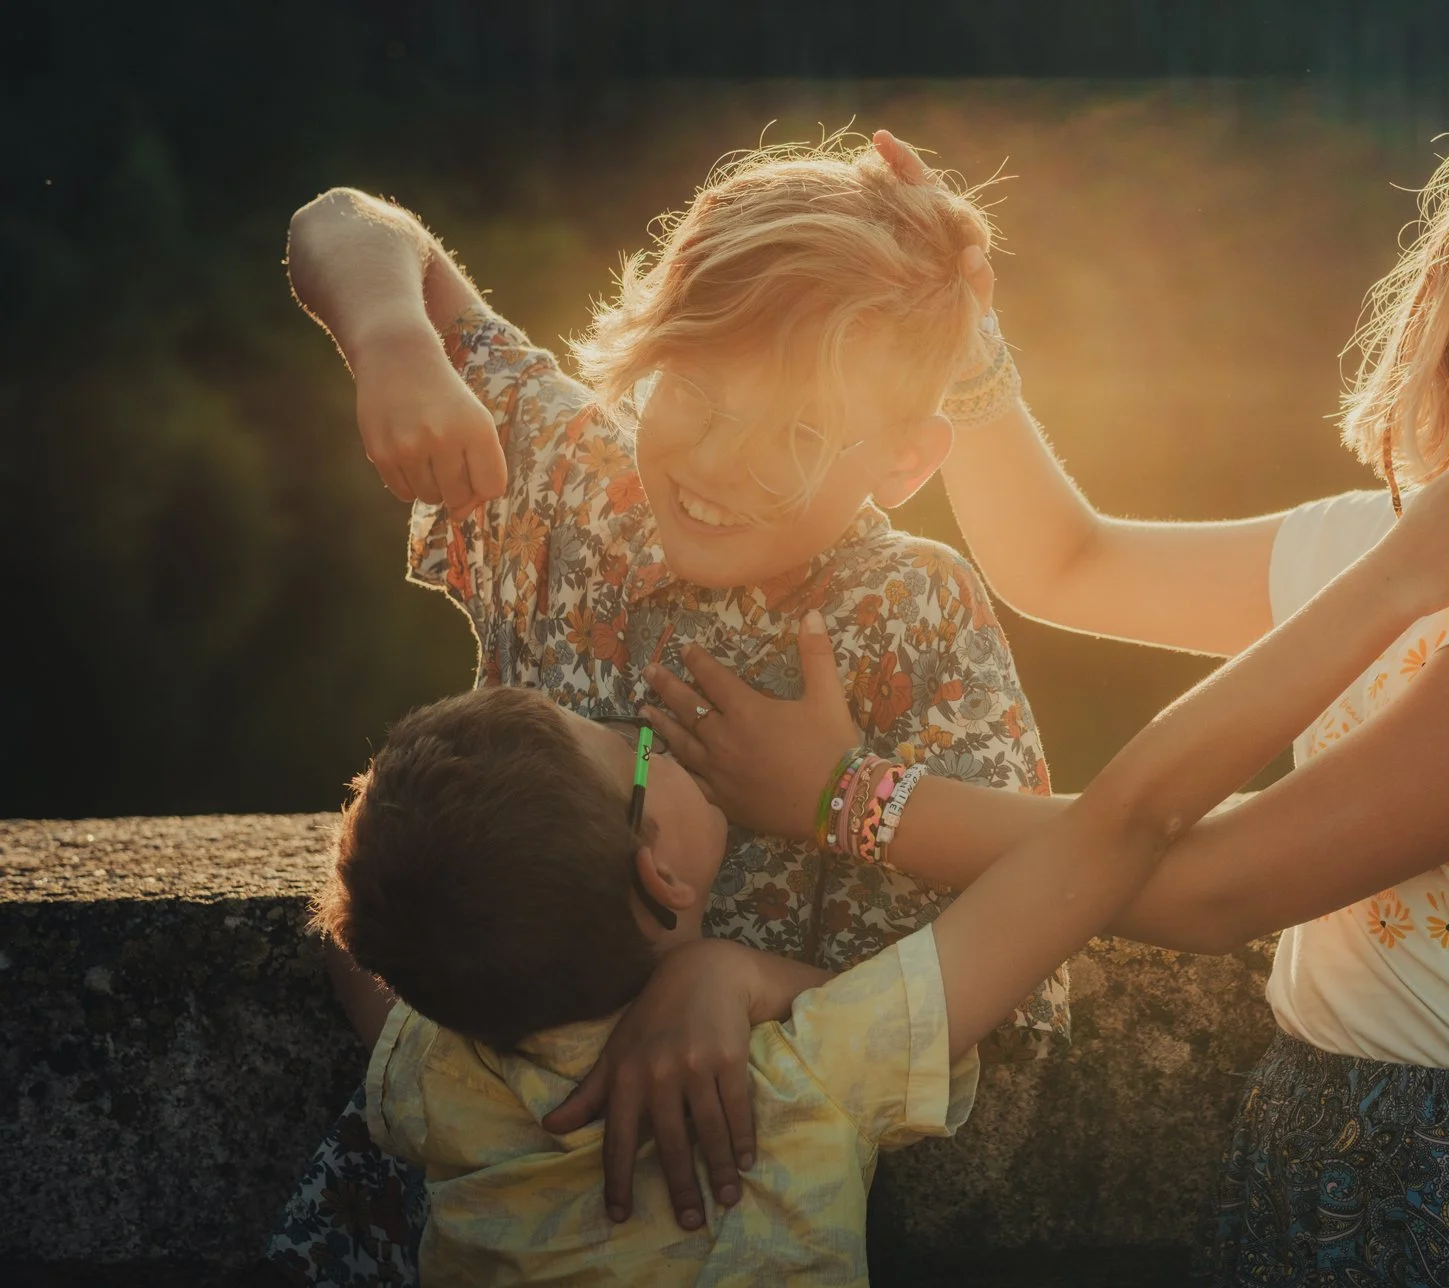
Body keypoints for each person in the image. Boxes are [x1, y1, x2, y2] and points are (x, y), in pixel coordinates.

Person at [626, 48, 1449, 1283]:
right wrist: (970, 341)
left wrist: (849, 799)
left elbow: (1210, 887)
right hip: (1307, 1135)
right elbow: (1064, 562)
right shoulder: (1389, 539)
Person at [317, 426, 1449, 1284]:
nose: (635, 718)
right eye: (617, 741)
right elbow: (1127, 822)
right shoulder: (801, 1081)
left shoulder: (441, 1077)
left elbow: (373, 956)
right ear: (659, 871)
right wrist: (1400, 577)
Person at [267, 136, 1066, 1283]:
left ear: (903, 457)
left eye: (795, 433)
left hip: (736, 1211)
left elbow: (995, 961)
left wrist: (732, 972)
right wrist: (393, 342)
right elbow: (343, 221)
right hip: (446, 1200)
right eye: (693, 388)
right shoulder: (578, 484)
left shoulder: (912, 617)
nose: (718, 462)